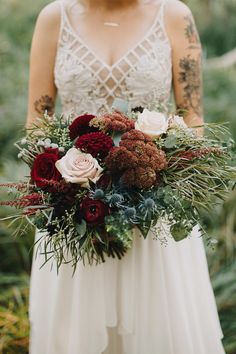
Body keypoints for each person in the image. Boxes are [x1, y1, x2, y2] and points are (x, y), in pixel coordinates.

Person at [27, 0, 226, 353]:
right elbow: (36, 123)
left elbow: (193, 120)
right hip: (76, 216)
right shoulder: (54, 18)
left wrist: (160, 174)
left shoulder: (175, 16)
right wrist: (71, 182)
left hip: (154, 214)